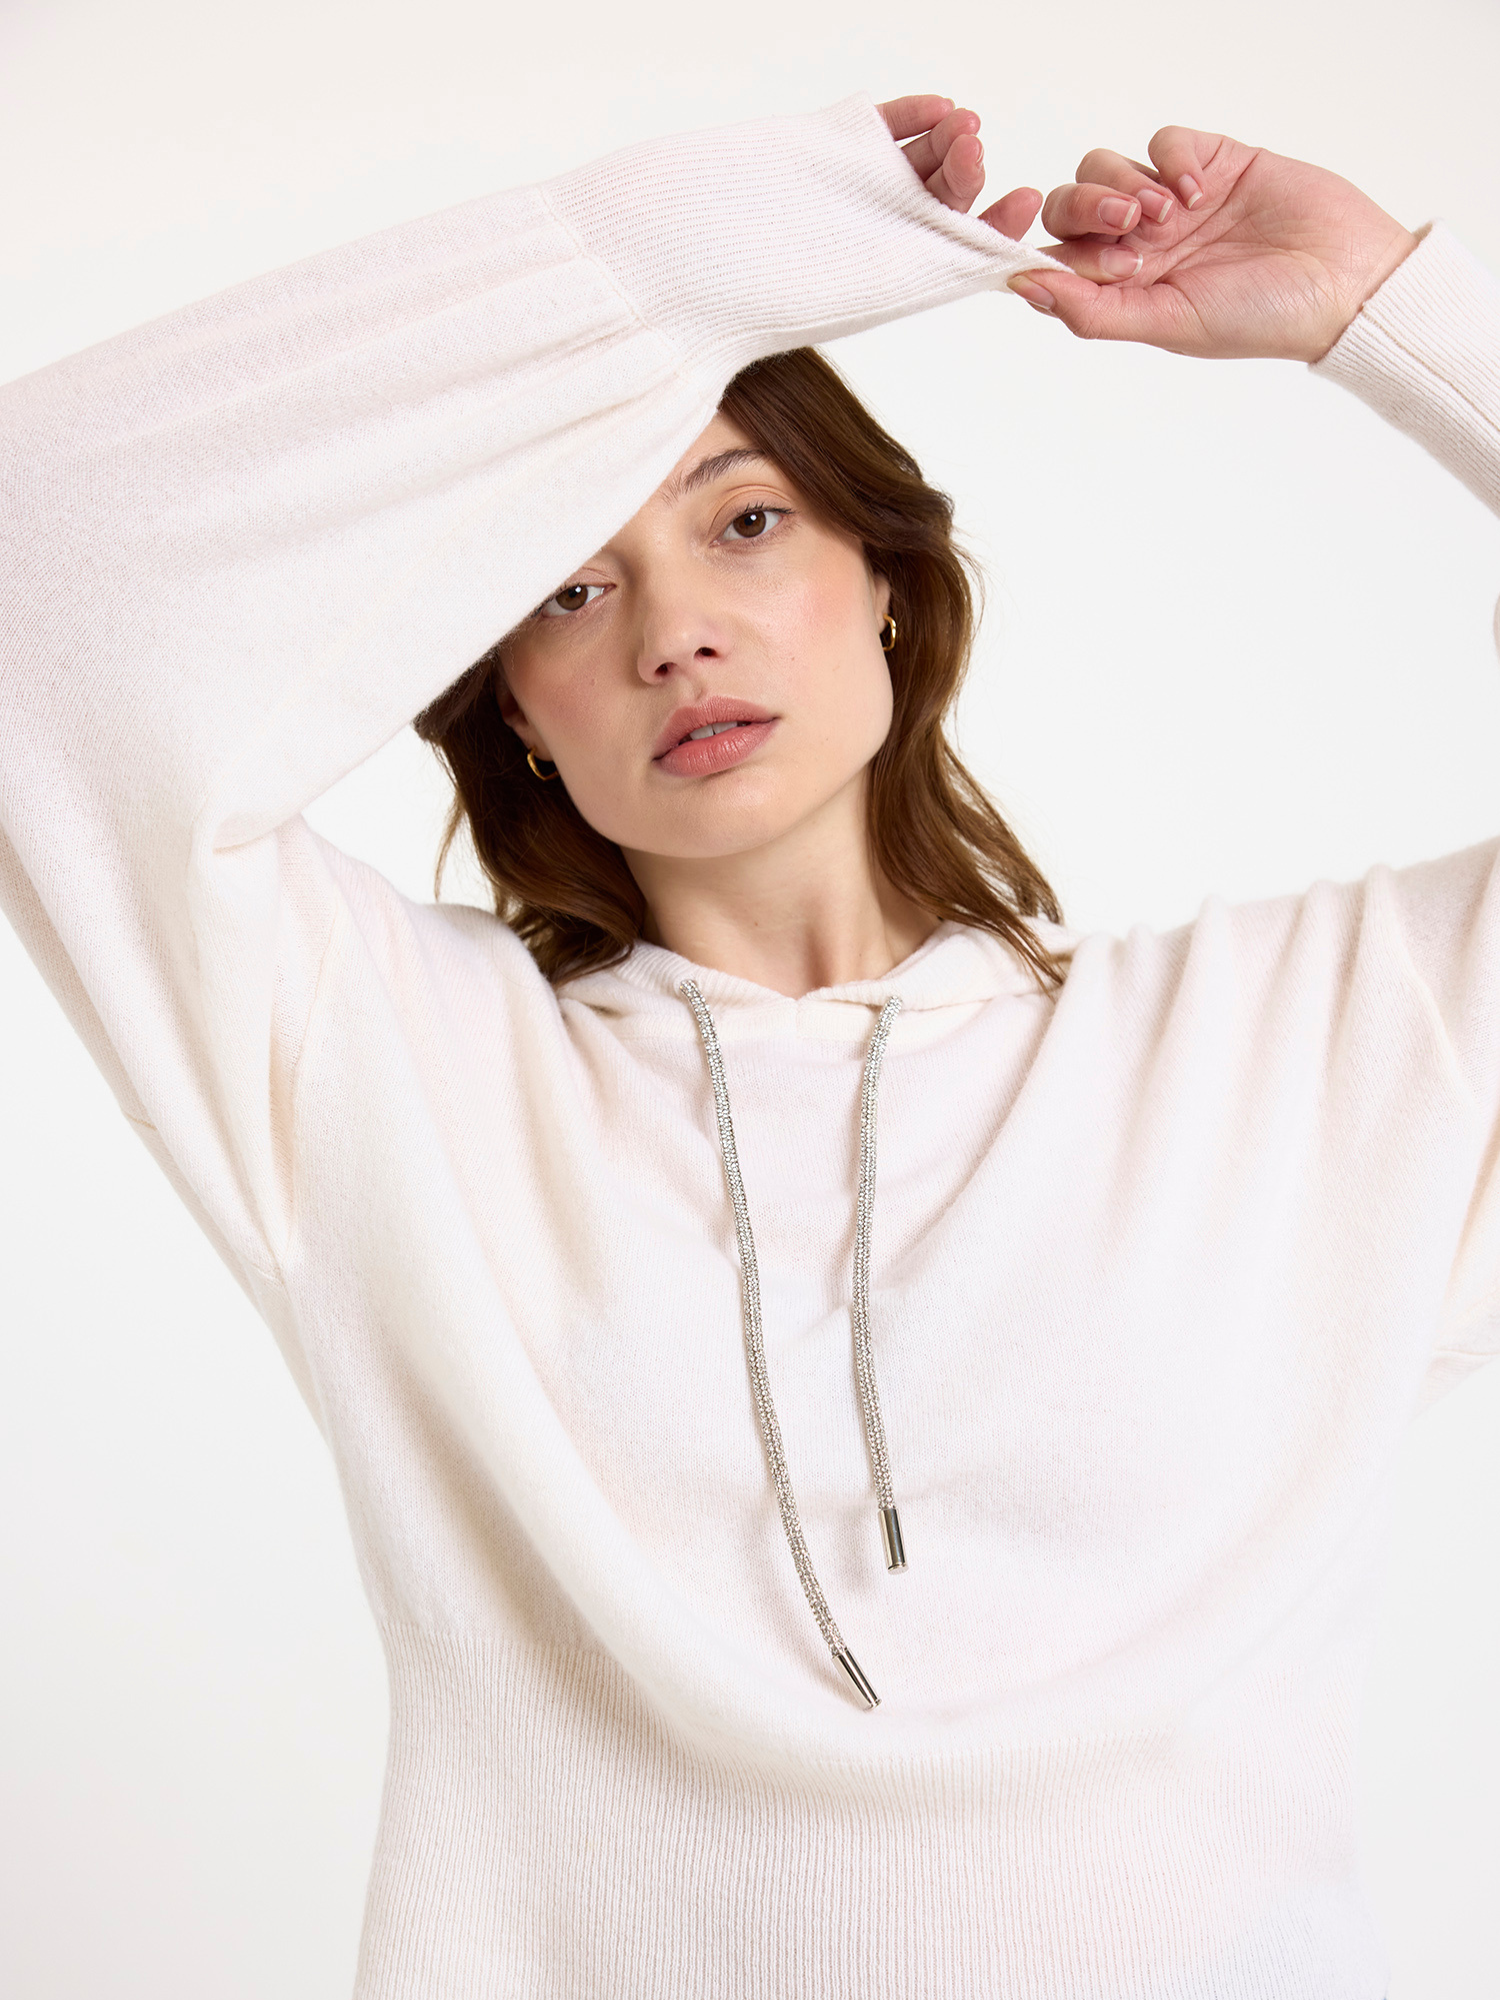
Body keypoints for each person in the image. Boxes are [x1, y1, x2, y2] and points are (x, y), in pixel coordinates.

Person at [1, 83, 1494, 1999]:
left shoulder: (1318, 1050)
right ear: (513, 704)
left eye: (749, 517)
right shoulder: (380, 1060)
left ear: (884, 579)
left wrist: (1388, 306)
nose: (675, 634)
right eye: (569, 581)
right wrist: (668, 262)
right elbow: (32, 573)